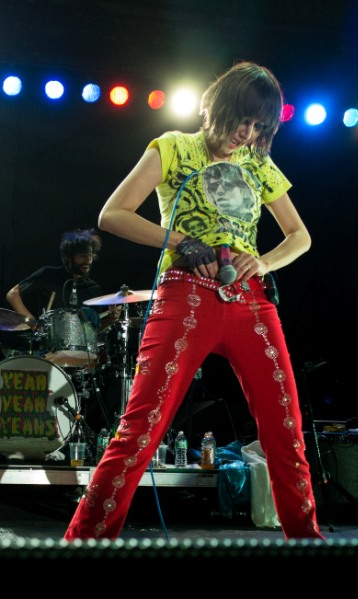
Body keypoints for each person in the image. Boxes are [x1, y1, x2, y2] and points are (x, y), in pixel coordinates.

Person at [64, 61, 325, 541]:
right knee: (140, 427)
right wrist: (179, 239)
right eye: (240, 120)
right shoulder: (173, 147)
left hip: (249, 301)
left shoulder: (259, 164)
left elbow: (300, 236)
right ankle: (83, 542)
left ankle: (306, 539)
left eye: (257, 127)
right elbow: (113, 213)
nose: (245, 133)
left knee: (284, 429)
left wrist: (263, 262)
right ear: (217, 106)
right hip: (185, 293)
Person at [6, 228, 122, 429]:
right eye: (82, 254)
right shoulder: (48, 275)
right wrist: (32, 322)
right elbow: (13, 294)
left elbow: (91, 332)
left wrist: (110, 320)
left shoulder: (93, 289)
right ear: (69, 257)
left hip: (80, 356)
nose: (88, 259)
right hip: (46, 349)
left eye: (91, 254)